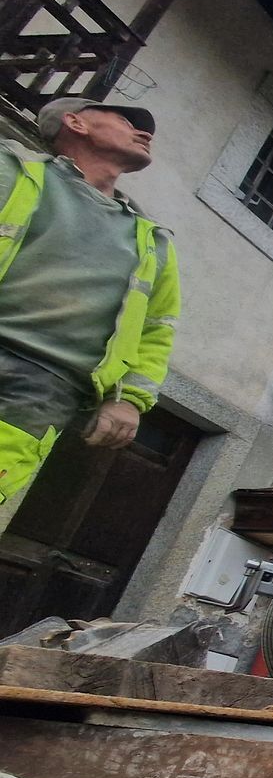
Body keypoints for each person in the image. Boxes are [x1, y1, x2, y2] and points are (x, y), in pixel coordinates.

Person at [0, 95, 179, 504]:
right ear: (75, 123)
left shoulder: (153, 242)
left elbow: (157, 330)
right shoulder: (12, 170)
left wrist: (129, 400)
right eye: (125, 120)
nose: (145, 132)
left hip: (44, 388)